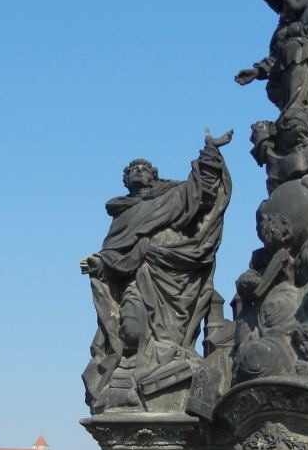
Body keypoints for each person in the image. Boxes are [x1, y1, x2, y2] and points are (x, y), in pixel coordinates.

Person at [80, 130, 232, 411]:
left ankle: (157, 376)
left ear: (153, 175)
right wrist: (99, 263)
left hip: (176, 273)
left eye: (144, 168)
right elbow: (115, 251)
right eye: (133, 169)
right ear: (127, 179)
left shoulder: (172, 194)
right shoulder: (123, 212)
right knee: (132, 328)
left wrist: (210, 151)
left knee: (169, 336)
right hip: (139, 276)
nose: (139, 171)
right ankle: (131, 371)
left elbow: (203, 193)